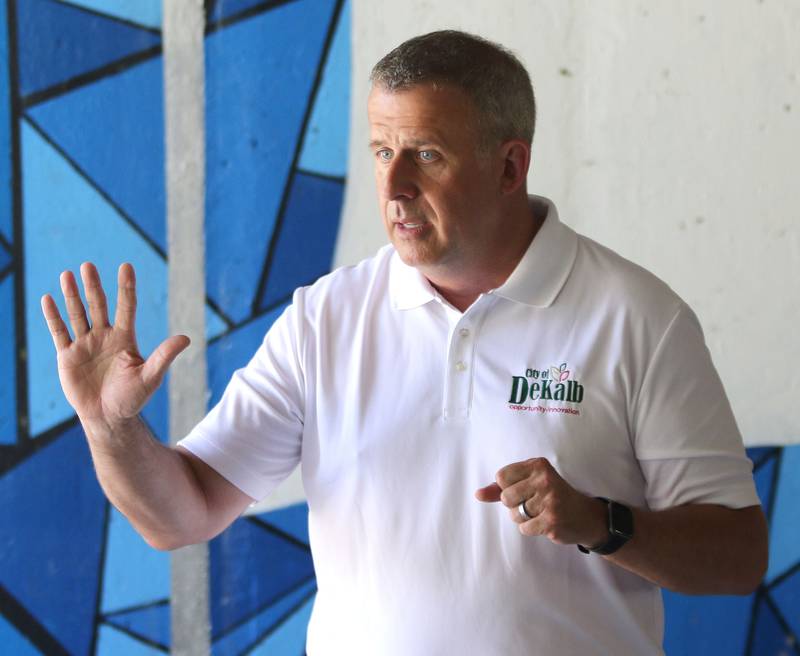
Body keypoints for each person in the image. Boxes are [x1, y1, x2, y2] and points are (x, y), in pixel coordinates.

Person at [42, 30, 767, 655]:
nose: (392, 185)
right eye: (381, 149)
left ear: (511, 166)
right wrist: (112, 428)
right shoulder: (325, 319)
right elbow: (181, 515)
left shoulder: (637, 317)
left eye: (424, 153)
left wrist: (601, 524)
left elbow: (737, 557)